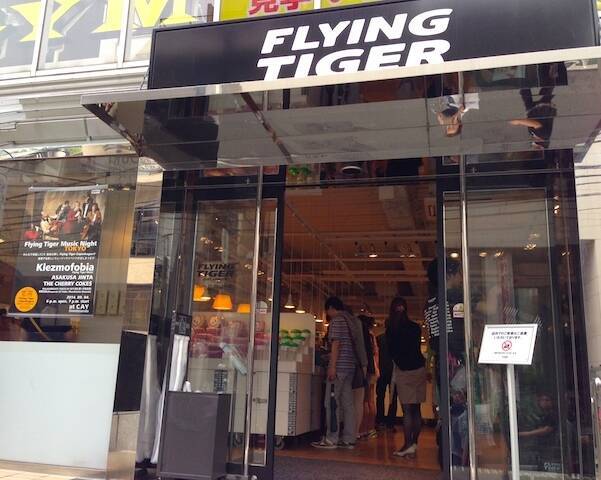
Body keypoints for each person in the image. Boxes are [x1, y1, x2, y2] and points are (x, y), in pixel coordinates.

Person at [311, 296, 367, 450]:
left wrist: (332, 366)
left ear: (330, 308)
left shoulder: (336, 321)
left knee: (331, 403)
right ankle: (349, 438)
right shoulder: (351, 321)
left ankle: (331, 438)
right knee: (348, 404)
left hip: (339, 369)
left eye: (327, 311)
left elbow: (336, 344)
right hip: (350, 368)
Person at [387, 297, 426, 458]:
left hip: (404, 371)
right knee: (416, 409)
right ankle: (414, 443)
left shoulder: (391, 329)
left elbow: (391, 352)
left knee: (407, 410)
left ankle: (407, 444)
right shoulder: (415, 328)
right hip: (419, 369)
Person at [356, 315, 379, 440]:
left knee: (364, 401)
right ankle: (371, 429)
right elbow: (376, 354)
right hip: (374, 369)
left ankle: (362, 429)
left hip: (367, 370)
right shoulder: (372, 336)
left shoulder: (364, 335)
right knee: (371, 401)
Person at [376, 321, 398, 430]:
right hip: (394, 371)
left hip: (381, 370)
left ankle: (380, 420)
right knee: (393, 397)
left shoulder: (379, 339)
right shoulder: (397, 340)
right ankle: (391, 423)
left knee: (380, 397)